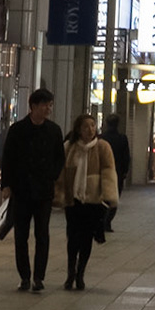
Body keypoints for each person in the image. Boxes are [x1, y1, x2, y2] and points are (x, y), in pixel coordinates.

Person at [0, 87, 64, 292]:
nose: (48, 109)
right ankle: (25, 276)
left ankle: (39, 277)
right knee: (21, 235)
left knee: (42, 234)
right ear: (33, 106)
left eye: (50, 105)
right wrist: (6, 185)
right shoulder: (18, 130)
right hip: (22, 190)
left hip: (44, 191)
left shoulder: (54, 130)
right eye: (45, 105)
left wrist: (52, 176)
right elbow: (7, 159)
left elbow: (59, 158)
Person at [54, 114, 118, 290]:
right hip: (73, 200)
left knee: (86, 238)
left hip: (93, 200)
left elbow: (108, 171)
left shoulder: (102, 147)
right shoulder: (69, 147)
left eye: (92, 126)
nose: (90, 130)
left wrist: (109, 195)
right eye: (86, 126)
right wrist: (58, 194)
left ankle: (80, 273)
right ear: (78, 129)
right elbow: (60, 173)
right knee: (72, 237)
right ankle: (70, 273)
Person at [101, 114, 132, 232]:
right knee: (114, 197)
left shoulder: (102, 138)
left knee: (103, 197)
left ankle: (102, 220)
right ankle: (107, 222)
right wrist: (125, 171)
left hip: (103, 171)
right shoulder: (122, 138)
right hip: (117, 172)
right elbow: (126, 157)